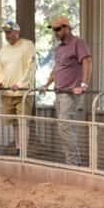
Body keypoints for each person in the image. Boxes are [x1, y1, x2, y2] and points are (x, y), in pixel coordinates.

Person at [41, 16, 92, 166]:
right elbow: (57, 69)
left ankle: (73, 163)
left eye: (57, 29)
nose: (55, 32)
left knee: (64, 127)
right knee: (64, 128)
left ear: (67, 28)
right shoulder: (59, 48)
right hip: (59, 92)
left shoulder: (78, 43)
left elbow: (87, 61)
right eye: (53, 30)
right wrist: (46, 84)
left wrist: (83, 85)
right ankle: (73, 162)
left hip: (70, 94)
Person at [0, 21, 36, 154]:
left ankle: (23, 151)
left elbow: (31, 67)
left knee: (23, 122)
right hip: (7, 93)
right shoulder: (3, 49)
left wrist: (20, 84)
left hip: (23, 93)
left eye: (9, 32)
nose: (7, 35)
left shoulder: (27, 45)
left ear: (17, 32)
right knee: (14, 123)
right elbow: (0, 69)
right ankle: (18, 148)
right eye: (5, 33)